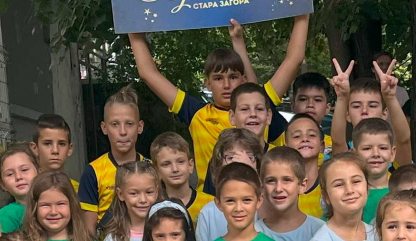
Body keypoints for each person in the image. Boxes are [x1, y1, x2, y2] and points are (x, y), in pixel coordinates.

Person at [128, 16, 311, 173]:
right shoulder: (197, 113)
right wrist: (130, 28)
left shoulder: (258, 107)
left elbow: (293, 59)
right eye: (217, 78)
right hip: (209, 204)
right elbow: (148, 73)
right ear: (206, 82)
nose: (226, 85)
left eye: (233, 77)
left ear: (243, 80)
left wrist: (302, 14)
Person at [330, 60, 414, 169]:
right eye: (356, 106)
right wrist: (341, 97)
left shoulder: (392, 154)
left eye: (372, 105)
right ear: (347, 115)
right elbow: (337, 142)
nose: (364, 111)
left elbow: (404, 141)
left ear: (385, 113)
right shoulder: (347, 155)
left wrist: (390, 97)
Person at [81, 87, 149, 212]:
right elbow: (88, 229)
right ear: (104, 127)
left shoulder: (152, 169)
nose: (122, 132)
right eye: (115, 124)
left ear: (140, 127)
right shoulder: (93, 172)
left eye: (129, 124)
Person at [196, 129, 265, 241]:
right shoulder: (208, 213)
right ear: (218, 164)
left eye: (249, 157)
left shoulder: (263, 206)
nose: (239, 162)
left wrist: (250, 172)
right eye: (231, 157)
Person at [149, 132, 212, 222]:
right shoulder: (152, 206)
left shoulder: (210, 203)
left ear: (190, 165)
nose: (175, 169)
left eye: (180, 161)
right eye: (166, 164)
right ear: (157, 171)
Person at [0, 142, 40, 237]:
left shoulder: (50, 206)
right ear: (2, 184)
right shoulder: (6, 215)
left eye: (24, 170)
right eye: (10, 174)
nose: (18, 177)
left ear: (39, 171)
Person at [285, 112, 327, 215]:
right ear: (286, 147)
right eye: (297, 136)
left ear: (322, 146)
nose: (304, 139)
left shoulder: (329, 184)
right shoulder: (280, 186)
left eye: (311, 135)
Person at [289, 70, 335, 148]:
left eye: (317, 100)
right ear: (293, 106)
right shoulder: (281, 138)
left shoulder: (333, 144)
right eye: (303, 99)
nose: (310, 105)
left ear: (327, 108)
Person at [33, 114, 74, 178]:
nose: (55, 150)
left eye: (61, 144)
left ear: (70, 149)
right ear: (34, 148)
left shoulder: (78, 187)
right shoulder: (27, 187)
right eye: (47, 144)